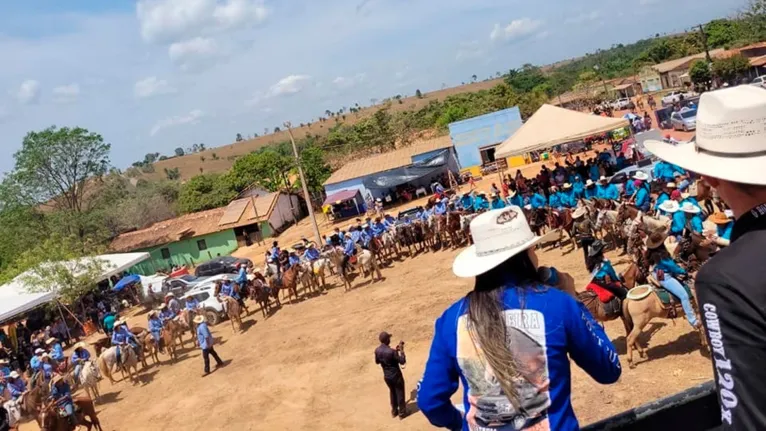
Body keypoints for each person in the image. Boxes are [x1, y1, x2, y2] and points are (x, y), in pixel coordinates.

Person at [418, 207, 620, 430]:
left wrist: (460, 423)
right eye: (532, 249)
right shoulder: (558, 304)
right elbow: (609, 369)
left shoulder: (450, 320)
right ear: (525, 256)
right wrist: (575, 301)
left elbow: (430, 401)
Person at [645, 85, 766, 429]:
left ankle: (693, 319)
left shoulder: (723, 279)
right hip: (670, 259)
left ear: (708, 176)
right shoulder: (669, 231)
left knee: (685, 290)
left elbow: (744, 415)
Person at [374, 331, 407, 419]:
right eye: (389, 338)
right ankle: (402, 413)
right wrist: (402, 351)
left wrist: (394, 352)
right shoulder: (391, 352)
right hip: (396, 376)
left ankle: (394, 411)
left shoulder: (377, 350)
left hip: (387, 376)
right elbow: (402, 361)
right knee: (399, 392)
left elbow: (377, 362)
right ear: (387, 340)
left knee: (392, 392)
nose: (390, 340)